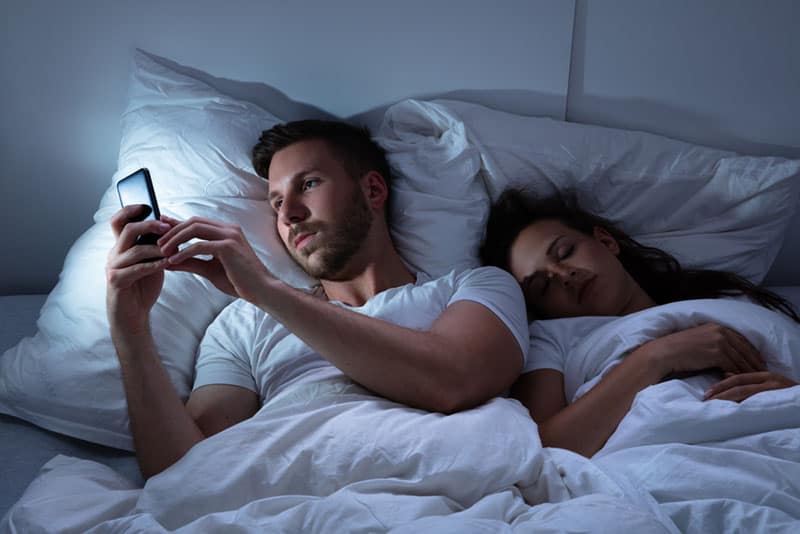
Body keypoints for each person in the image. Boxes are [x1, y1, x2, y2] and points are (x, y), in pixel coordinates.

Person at [106, 120, 529, 479]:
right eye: (275, 202)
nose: (287, 214)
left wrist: (269, 291)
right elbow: (184, 475)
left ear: (373, 191)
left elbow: (452, 382)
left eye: (307, 185)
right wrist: (131, 331)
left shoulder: (475, 288)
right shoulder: (244, 324)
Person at [480, 188, 799, 457]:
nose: (564, 276)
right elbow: (544, 448)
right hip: (659, 462)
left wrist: (789, 394)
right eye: (543, 286)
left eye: (565, 252)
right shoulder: (551, 339)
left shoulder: (728, 300)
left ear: (606, 242)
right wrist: (658, 356)